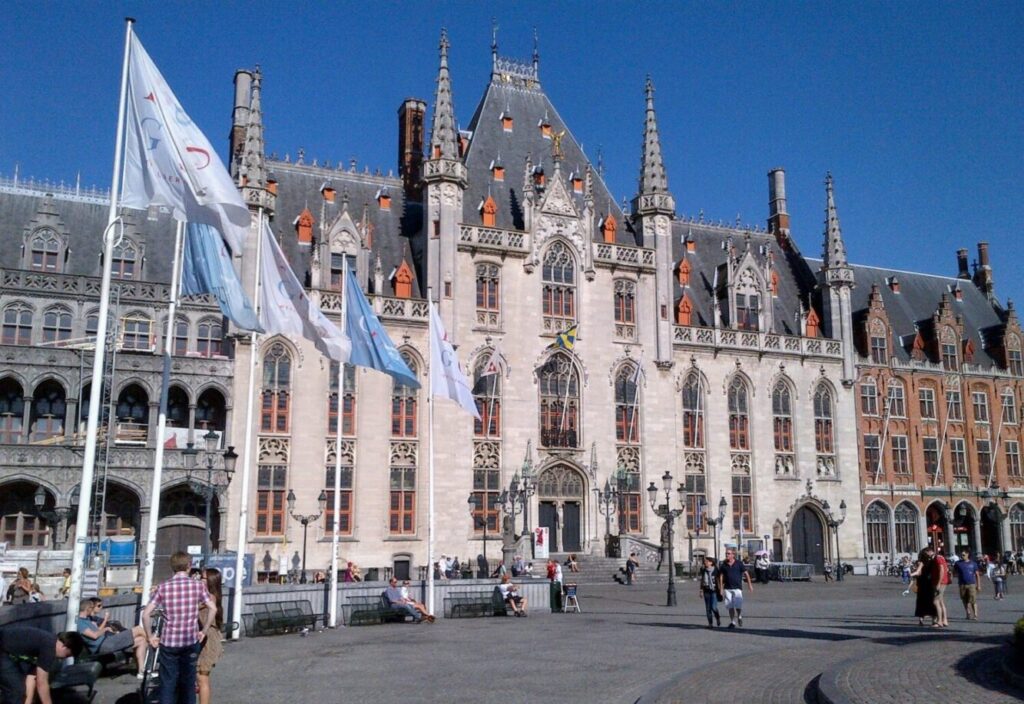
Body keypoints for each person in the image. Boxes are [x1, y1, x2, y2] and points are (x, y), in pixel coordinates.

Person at [142, 550, 218, 704]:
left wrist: (150, 637)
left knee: (168, 683)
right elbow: (213, 608)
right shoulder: (197, 586)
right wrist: (203, 631)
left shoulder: (163, 587)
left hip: (169, 642)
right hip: (189, 641)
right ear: (189, 566)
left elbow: (146, 614)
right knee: (188, 684)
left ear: (172, 567)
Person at [0, 626, 84, 704]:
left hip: (6, 652)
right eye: (67, 655)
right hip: (2, 649)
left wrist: (27, 702)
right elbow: (42, 683)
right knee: (16, 691)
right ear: (64, 647)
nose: (63, 658)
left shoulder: (46, 642)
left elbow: (32, 676)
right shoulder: (49, 648)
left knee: (18, 690)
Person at [76, 599, 148, 677]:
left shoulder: (87, 619)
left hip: (107, 641)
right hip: (103, 645)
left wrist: (106, 629)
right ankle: (153, 642)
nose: (93, 609)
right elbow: (94, 635)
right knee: (138, 629)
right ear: (88, 609)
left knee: (141, 640)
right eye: (92, 607)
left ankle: (141, 672)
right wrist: (105, 629)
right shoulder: (80, 623)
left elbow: (97, 631)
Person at [197, 568, 225, 704]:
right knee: (198, 677)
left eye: (202, 578)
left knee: (202, 678)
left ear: (210, 581)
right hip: (204, 638)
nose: (199, 580)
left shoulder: (209, 597)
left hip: (208, 640)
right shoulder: (209, 595)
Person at [718, 548, 754, 627]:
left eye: (728, 553)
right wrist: (720, 588)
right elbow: (721, 576)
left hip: (737, 587)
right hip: (727, 588)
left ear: (733, 555)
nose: (727, 555)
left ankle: (739, 616)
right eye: (726, 553)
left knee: (738, 605)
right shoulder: (724, 564)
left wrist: (749, 585)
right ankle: (732, 622)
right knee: (730, 606)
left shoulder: (739, 563)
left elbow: (746, 574)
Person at [910, 549, 936, 626]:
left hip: (922, 583)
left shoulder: (921, 563)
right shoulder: (932, 562)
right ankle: (934, 619)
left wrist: (911, 574)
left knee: (921, 601)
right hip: (930, 582)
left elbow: (918, 572)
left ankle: (921, 619)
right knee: (931, 601)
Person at [953, 551, 981, 620]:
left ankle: (975, 615)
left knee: (973, 600)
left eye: (963, 555)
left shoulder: (973, 563)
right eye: (961, 555)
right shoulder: (958, 563)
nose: (962, 556)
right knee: (964, 599)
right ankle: (968, 613)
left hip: (971, 584)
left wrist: (979, 585)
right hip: (962, 584)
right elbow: (954, 572)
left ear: (967, 554)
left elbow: (977, 575)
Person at [698, 556, 721, 629]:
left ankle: (717, 617)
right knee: (708, 608)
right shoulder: (703, 570)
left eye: (707, 561)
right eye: (704, 561)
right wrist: (701, 590)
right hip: (706, 590)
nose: (705, 563)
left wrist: (721, 589)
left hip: (714, 590)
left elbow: (720, 580)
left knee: (713, 607)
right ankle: (710, 623)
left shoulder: (716, 570)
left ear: (711, 562)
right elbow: (702, 580)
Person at [931, 547, 950, 628]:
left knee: (935, 601)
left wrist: (938, 583)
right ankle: (944, 620)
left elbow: (942, 570)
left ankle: (939, 621)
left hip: (940, 582)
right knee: (941, 601)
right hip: (942, 582)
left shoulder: (937, 558)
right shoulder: (940, 558)